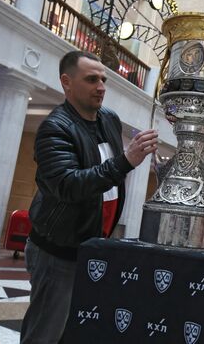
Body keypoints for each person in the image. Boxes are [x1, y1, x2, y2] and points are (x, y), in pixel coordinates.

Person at [20, 51, 159, 343]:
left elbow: (107, 181)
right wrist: (126, 160)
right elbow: (69, 186)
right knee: (45, 331)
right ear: (66, 82)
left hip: (92, 248)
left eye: (104, 80)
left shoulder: (109, 119)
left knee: (75, 329)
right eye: (92, 79)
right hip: (57, 250)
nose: (101, 87)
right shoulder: (54, 129)